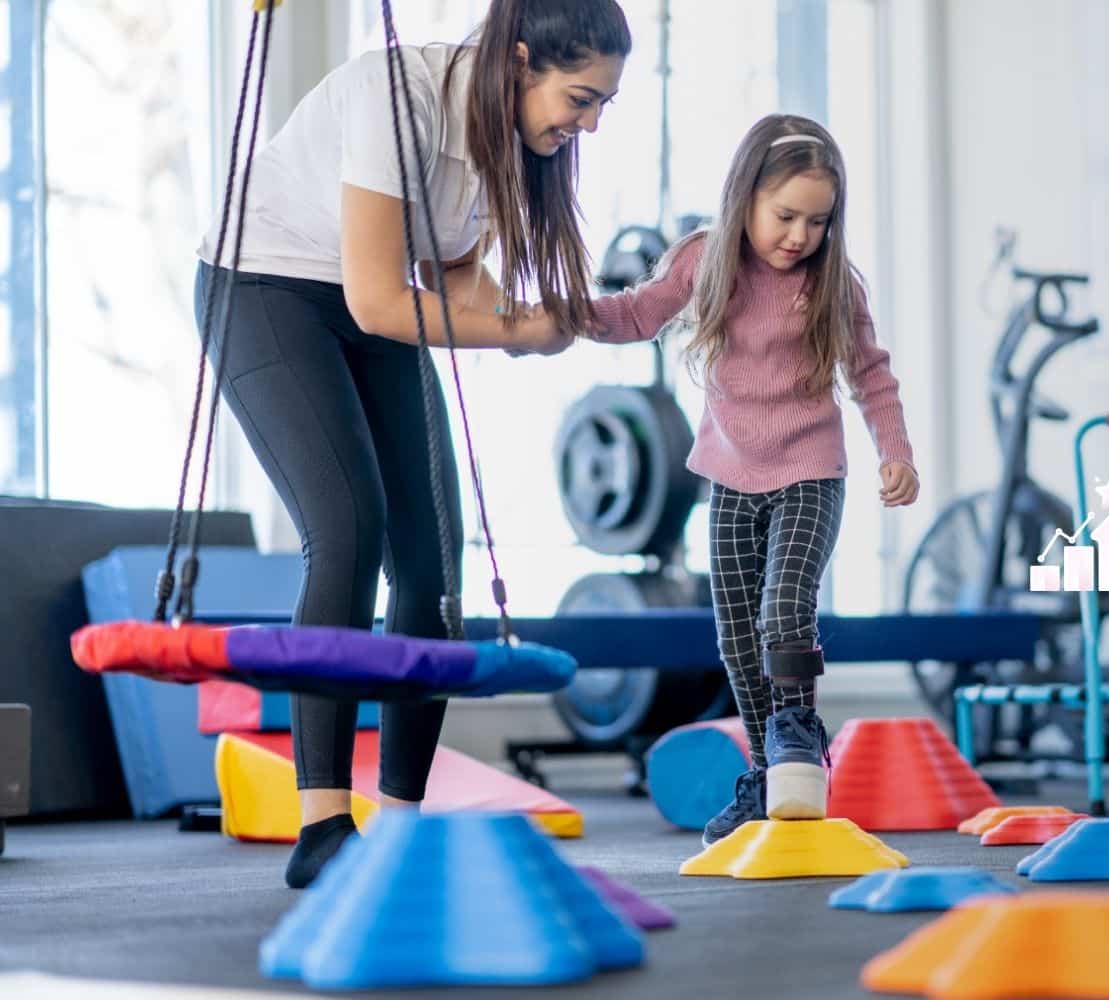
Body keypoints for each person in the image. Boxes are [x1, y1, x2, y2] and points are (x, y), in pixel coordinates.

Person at [193, 0, 625, 888]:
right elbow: (380, 303)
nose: (587, 124)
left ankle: (403, 824)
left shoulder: (511, 138)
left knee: (431, 560)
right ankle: (321, 828)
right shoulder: (402, 97)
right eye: (580, 99)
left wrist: (515, 314)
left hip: (370, 302)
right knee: (347, 526)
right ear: (519, 59)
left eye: (600, 108)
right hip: (267, 287)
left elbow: (452, 265)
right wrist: (513, 333)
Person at [552, 113, 920, 843]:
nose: (798, 236)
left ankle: (797, 735)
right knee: (734, 634)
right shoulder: (703, 260)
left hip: (811, 471)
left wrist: (895, 450)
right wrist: (564, 314)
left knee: (785, 606)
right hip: (728, 475)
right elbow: (634, 315)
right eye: (785, 216)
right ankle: (766, 774)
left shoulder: (832, 285)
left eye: (817, 222)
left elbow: (871, 375)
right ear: (745, 197)